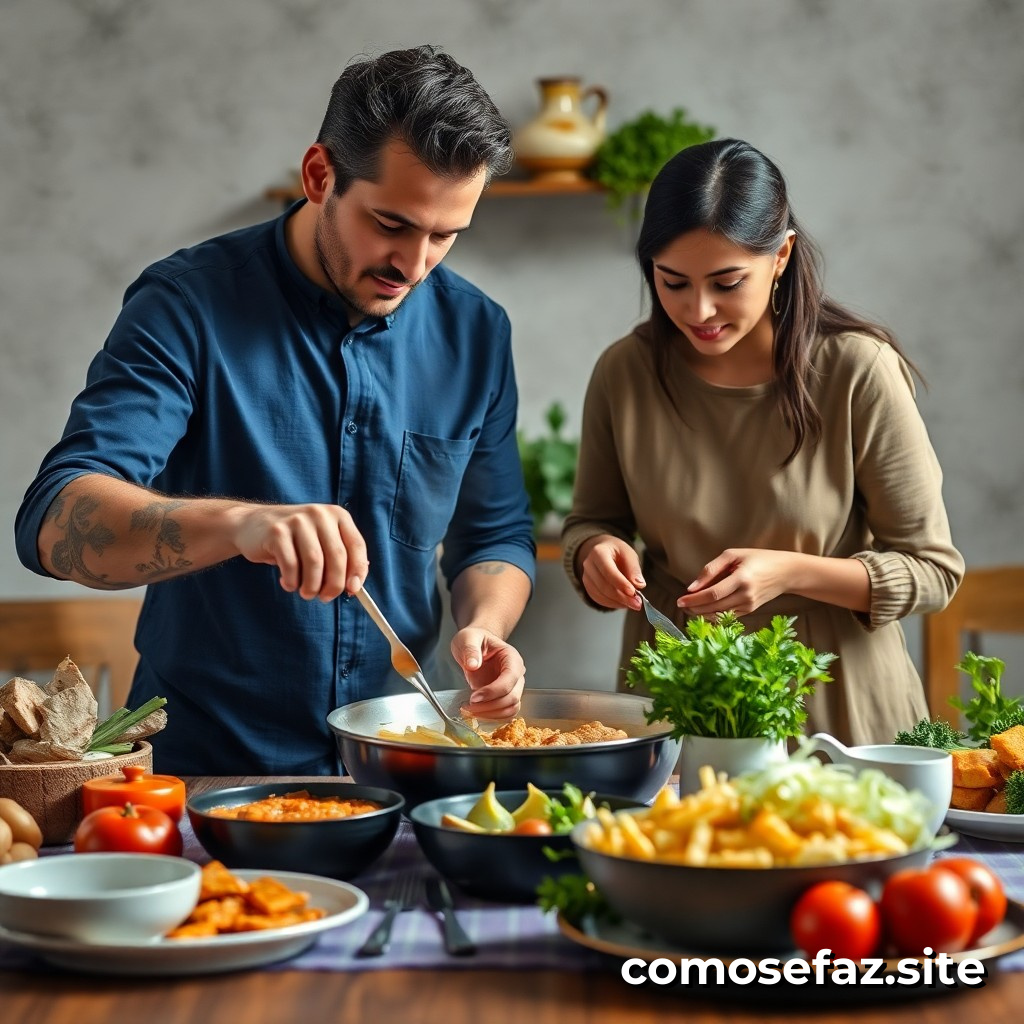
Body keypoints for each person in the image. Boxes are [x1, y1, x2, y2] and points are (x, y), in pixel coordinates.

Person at [15, 45, 536, 775]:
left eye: (445, 236)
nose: (414, 266)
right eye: (391, 223)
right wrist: (243, 524)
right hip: (201, 771)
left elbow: (496, 534)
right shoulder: (187, 305)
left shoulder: (477, 333)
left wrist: (486, 627)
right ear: (320, 175)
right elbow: (54, 522)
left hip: (399, 765)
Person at [561, 138, 964, 746]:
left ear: (781, 257)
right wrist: (593, 554)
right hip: (676, 706)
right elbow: (591, 521)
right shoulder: (624, 371)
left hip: (841, 717)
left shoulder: (856, 369)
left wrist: (791, 573)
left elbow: (933, 572)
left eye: (727, 283)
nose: (699, 310)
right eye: (673, 283)